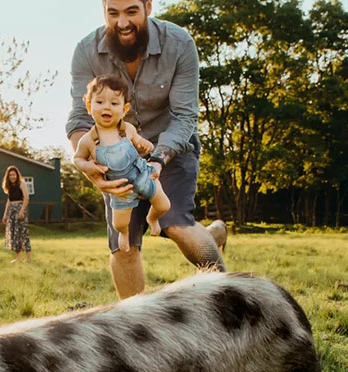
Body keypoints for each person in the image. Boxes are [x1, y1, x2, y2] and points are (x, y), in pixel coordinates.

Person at [66, 0, 226, 299]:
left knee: (176, 225)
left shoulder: (179, 43)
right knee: (124, 245)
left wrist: (157, 161)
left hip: (171, 148)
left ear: (148, 7)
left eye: (131, 12)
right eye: (113, 13)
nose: (122, 22)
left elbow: (184, 117)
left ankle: (229, 298)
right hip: (114, 157)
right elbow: (78, 118)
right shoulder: (86, 51)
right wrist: (88, 165)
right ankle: (133, 330)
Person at [74, 74, 171, 252]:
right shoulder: (89, 140)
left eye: (114, 103)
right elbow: (77, 158)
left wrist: (146, 144)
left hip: (141, 174)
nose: (107, 107)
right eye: (100, 102)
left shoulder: (127, 129)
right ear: (89, 106)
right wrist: (87, 166)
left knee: (164, 205)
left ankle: (152, 219)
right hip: (120, 188)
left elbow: (139, 142)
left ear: (124, 109)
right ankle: (123, 233)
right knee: (119, 223)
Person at [1, 165, 31, 263]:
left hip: (20, 209)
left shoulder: (21, 183)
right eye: (10, 175)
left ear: (17, 175)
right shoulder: (9, 186)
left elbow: (26, 198)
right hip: (11, 210)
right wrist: (5, 214)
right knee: (14, 233)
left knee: (23, 233)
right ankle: (18, 258)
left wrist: (21, 211)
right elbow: (9, 201)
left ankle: (28, 258)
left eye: (14, 175)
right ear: (8, 177)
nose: (12, 177)